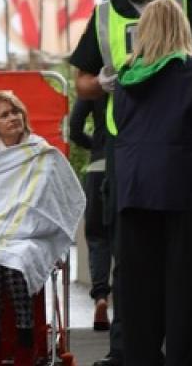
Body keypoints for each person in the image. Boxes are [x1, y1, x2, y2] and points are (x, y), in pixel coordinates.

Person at [68, 0, 192, 366]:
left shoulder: (183, 5)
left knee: (181, 266)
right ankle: (127, 352)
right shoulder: (103, 17)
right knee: (130, 262)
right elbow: (81, 80)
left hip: (178, 145)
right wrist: (103, 85)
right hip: (126, 146)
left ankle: (178, 354)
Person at [111, 0, 192, 365]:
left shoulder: (125, 76)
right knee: (185, 286)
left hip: (133, 189)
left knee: (139, 288)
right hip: (182, 189)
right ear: (181, 28)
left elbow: (119, 124)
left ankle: (140, 357)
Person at [0, 91, 85, 366]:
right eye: (5, 115)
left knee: (17, 260)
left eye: (16, 112)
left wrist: (23, 223)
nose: (13, 118)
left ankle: (26, 345)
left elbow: (53, 198)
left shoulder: (42, 153)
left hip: (32, 233)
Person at [68, 96, 112, 330]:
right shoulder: (140, 71)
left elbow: (74, 128)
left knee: (97, 238)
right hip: (128, 165)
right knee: (125, 240)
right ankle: (127, 309)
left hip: (98, 166)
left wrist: (95, 144)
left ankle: (101, 297)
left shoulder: (93, 81)